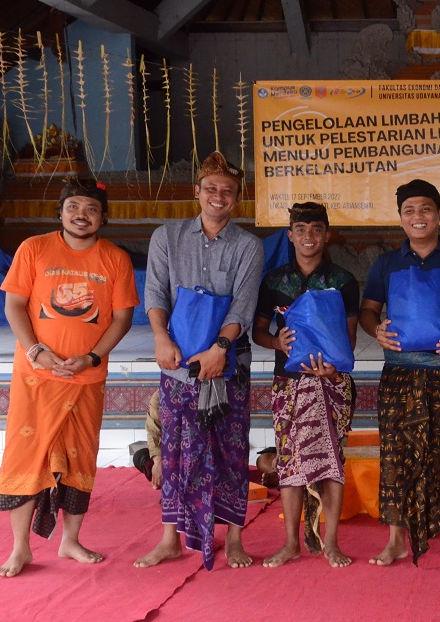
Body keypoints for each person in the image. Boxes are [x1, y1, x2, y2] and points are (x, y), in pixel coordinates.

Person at [0, 177, 138, 577]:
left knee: (79, 458)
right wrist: (37, 351)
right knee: (26, 456)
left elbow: (123, 318)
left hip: (86, 379)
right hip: (34, 376)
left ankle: (70, 541)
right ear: (60, 212)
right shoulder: (34, 248)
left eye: (91, 208)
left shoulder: (115, 259)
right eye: (73, 206)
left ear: (103, 218)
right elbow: (14, 307)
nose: (81, 214)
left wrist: (91, 357)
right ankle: (20, 548)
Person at [135, 151, 264, 571]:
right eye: (210, 188)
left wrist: (219, 350)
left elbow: (242, 308)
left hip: (229, 365)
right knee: (174, 450)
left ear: (238, 198)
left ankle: (236, 539)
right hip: (177, 363)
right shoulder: (166, 237)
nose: (218, 196)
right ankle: (170, 538)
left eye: (227, 191)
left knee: (230, 449)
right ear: (197, 192)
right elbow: (154, 294)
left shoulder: (249, 245)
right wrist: (159, 337)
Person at [360, 179, 440, 568]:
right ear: (400, 218)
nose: (418, 217)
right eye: (410, 211)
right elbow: (368, 310)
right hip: (399, 375)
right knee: (396, 455)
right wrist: (376, 330)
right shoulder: (387, 262)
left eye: (426, 209)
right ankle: (396, 539)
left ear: (438, 214)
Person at [252, 202, 359, 568]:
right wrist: (276, 343)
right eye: (301, 229)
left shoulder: (343, 281)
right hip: (288, 384)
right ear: (290, 235)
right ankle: (290, 543)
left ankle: (331, 543)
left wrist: (333, 371)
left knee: (332, 464)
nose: (308, 236)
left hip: (331, 385)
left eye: (316, 229)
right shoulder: (274, 281)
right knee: (289, 464)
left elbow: (349, 339)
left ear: (326, 235)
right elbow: (259, 332)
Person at [132, 392, 162, 488]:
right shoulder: (160, 395)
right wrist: (158, 461)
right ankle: (166, 484)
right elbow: (153, 431)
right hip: (171, 451)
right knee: (140, 457)